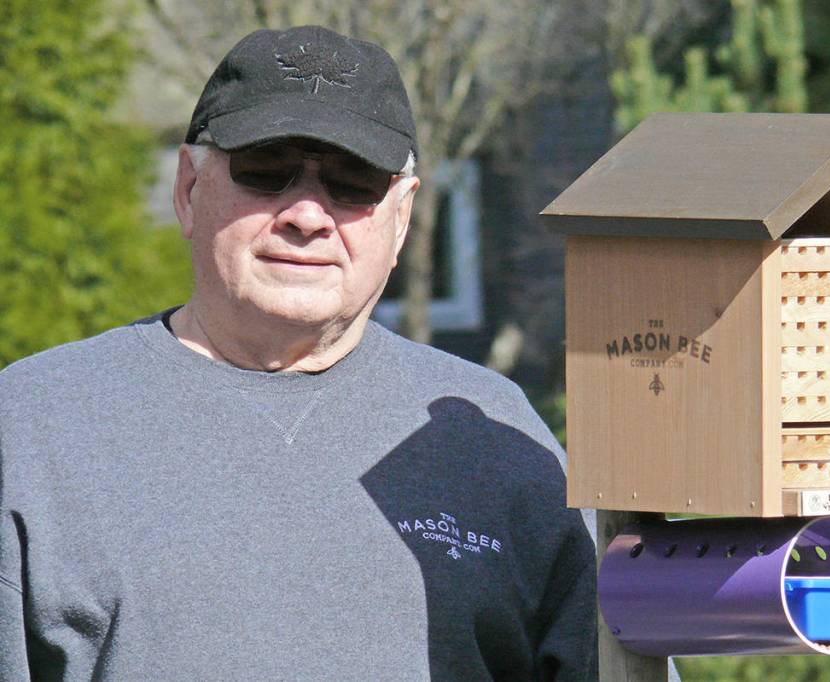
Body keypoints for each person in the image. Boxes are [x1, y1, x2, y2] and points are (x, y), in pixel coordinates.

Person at [0, 26, 596, 681]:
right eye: (266, 167)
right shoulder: (35, 427)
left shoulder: (499, 437)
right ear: (189, 188)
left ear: (402, 217)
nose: (308, 215)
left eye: (352, 180)